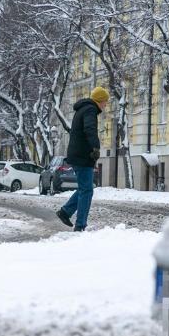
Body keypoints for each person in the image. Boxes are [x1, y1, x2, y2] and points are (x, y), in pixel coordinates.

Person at [56, 86, 108, 232]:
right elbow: (89, 128)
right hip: (83, 155)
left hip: (78, 154)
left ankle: (65, 212)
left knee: (84, 188)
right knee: (87, 190)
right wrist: (95, 147)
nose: (105, 104)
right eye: (105, 101)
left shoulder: (83, 109)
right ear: (100, 100)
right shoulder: (90, 110)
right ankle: (80, 225)